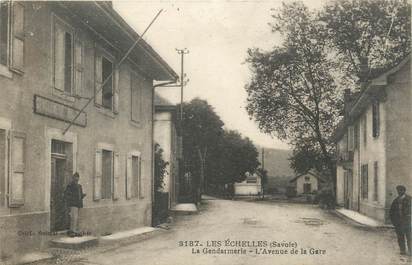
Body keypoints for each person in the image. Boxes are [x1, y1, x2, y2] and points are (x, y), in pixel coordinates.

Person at [389, 185, 411, 256]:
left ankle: (411, 250)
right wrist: (394, 222)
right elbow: (391, 212)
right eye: (398, 190)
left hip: (408, 222)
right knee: (400, 237)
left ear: (404, 191)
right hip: (399, 223)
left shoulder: (409, 199)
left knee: (409, 237)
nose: (399, 192)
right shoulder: (395, 201)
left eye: (401, 190)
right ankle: (402, 250)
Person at [64, 172, 86, 237]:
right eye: (75, 177)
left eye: (77, 178)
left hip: (79, 204)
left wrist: (83, 195)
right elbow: (66, 194)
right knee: (73, 218)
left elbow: (80, 195)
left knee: (79, 218)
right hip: (73, 204)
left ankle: (77, 231)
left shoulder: (80, 186)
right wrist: (71, 199)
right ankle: (72, 231)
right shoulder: (70, 186)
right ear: (73, 178)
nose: (76, 179)